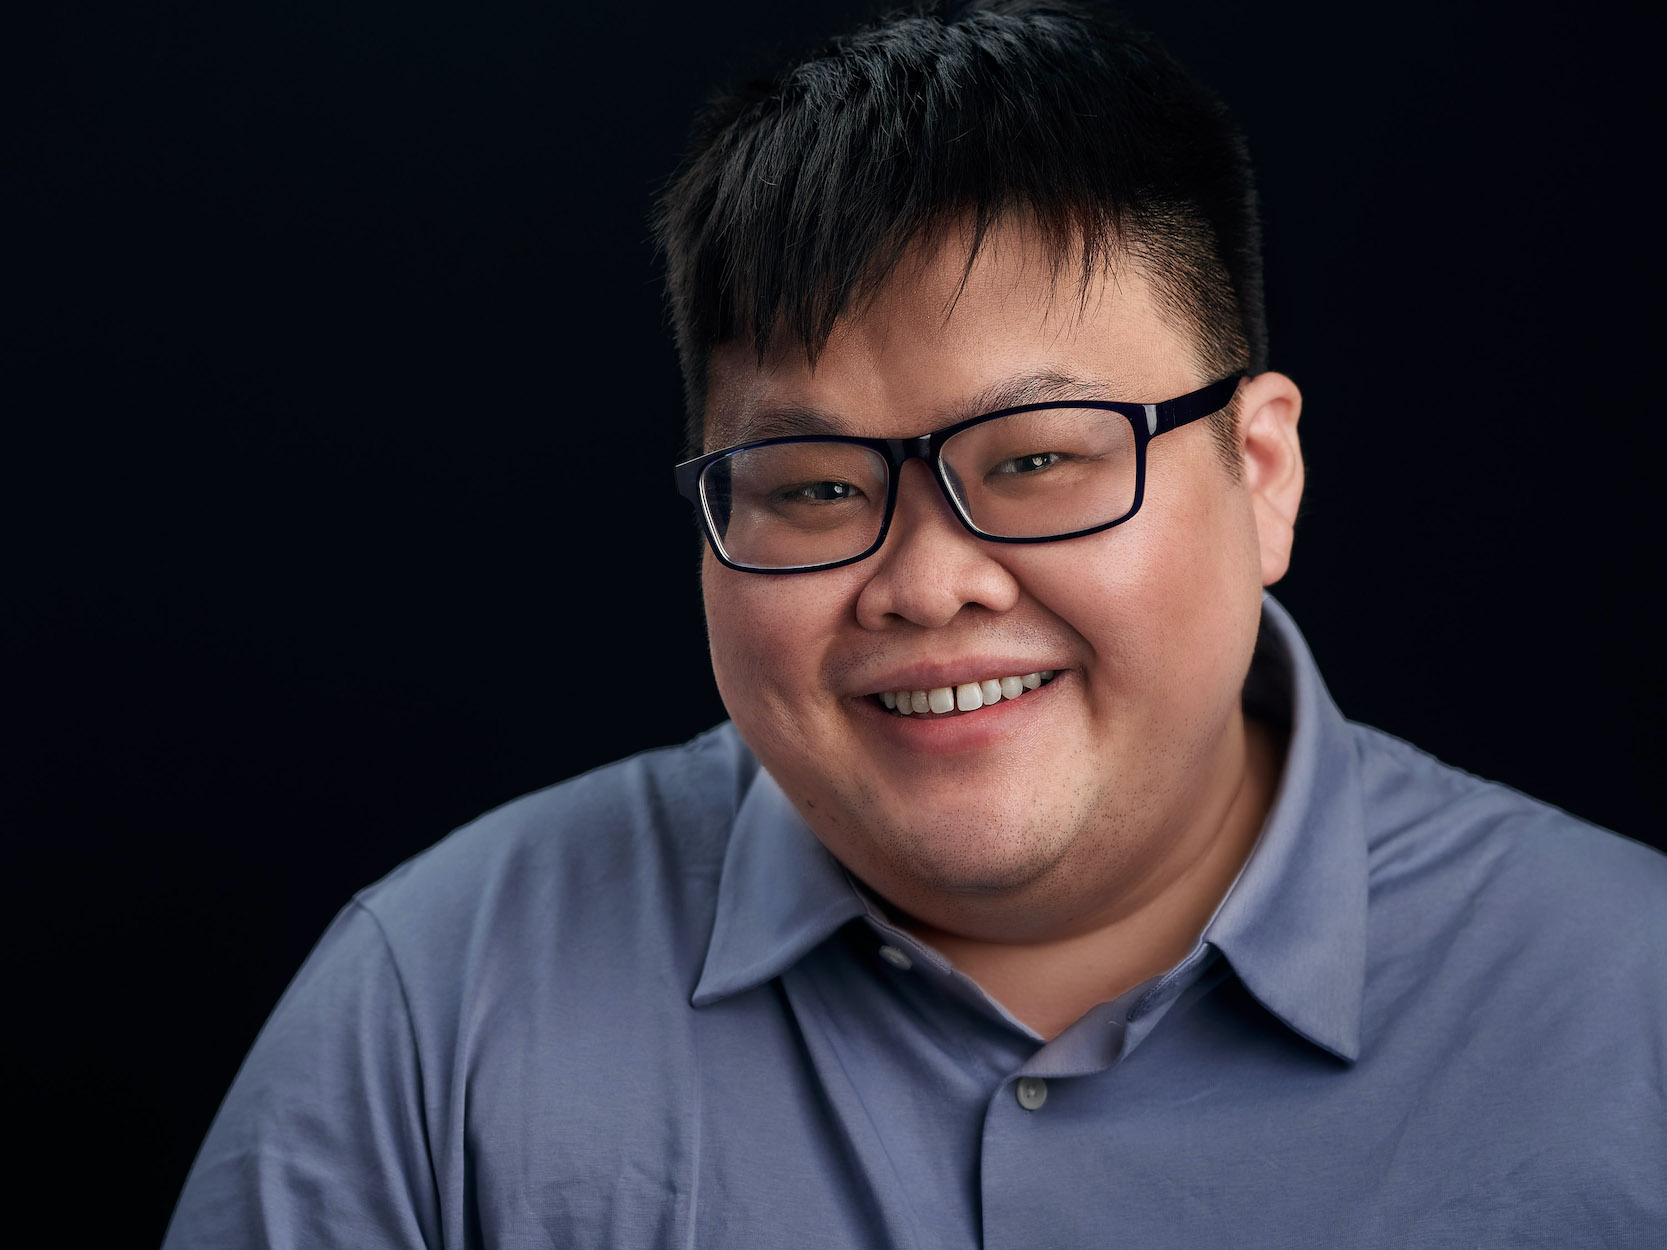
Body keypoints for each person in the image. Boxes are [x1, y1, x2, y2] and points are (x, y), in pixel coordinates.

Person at [163, 2, 1666, 1245]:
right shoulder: (436, 1008)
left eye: (1035, 461)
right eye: (813, 487)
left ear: (1260, 472)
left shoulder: (1629, 1012)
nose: (929, 582)